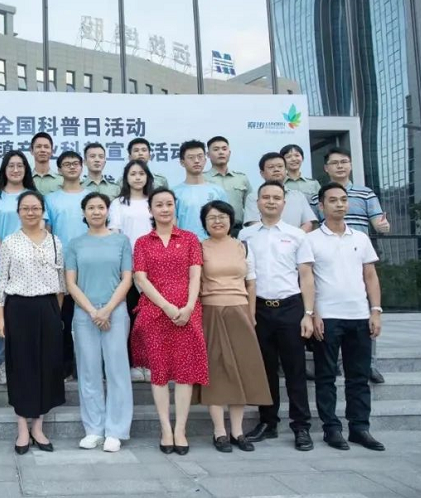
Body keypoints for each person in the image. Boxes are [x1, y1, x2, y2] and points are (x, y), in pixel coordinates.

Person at [307, 183, 385, 451]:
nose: (339, 204)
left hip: (359, 316)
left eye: (343, 200)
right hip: (327, 317)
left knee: (358, 377)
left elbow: (370, 276)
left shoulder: (360, 238)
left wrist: (375, 310)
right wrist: (313, 313)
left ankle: (360, 428)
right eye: (333, 200)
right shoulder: (311, 240)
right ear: (321, 206)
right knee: (326, 377)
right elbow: (306, 280)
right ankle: (331, 429)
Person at [240, 181, 316, 451]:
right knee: (265, 369)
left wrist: (308, 313)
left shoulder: (297, 235)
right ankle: (268, 422)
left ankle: (301, 426)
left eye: (276, 197)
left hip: (290, 307)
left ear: (284, 203)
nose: (271, 202)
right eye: (266, 197)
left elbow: (306, 276)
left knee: (295, 369)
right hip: (259, 308)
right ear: (257, 202)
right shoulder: (246, 235)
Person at [130, 188, 207, 456]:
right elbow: (140, 278)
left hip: (186, 311)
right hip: (155, 312)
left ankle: (180, 429)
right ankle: (165, 428)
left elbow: (195, 275)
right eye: (159, 205)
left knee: (185, 372)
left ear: (175, 207)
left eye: (169, 204)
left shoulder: (189, 238)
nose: (164, 209)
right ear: (151, 210)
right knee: (160, 372)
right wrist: (166, 306)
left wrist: (188, 306)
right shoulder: (142, 242)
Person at [195, 200, 272, 453]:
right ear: (204, 223)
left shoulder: (243, 246)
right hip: (211, 312)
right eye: (211, 218)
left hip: (240, 312)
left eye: (222, 216)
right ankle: (219, 431)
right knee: (216, 372)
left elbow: (251, 283)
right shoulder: (198, 247)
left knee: (240, 371)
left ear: (231, 220)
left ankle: (237, 431)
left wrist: (251, 315)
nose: (217, 221)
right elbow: (195, 284)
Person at [309, 147, 389, 383]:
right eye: (335, 163)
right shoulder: (317, 197)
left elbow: (378, 221)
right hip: (328, 256)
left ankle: (369, 365)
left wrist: (382, 226)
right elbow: (313, 224)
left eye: (344, 162)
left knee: (364, 310)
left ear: (351, 165)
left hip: (357, 254)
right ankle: (333, 363)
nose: (340, 166)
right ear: (326, 168)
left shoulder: (365, 194)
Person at [0, 191, 66, 454]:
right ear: (18, 212)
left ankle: (38, 426)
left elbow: (60, 284)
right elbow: (1, 283)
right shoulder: (10, 242)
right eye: (25, 208)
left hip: (48, 307)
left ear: (43, 210)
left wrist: (55, 314)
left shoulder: (55, 242)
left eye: (35, 208)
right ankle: (22, 428)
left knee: (47, 366)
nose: (31, 212)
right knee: (21, 367)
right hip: (18, 308)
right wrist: (0, 318)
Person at [65, 192, 133, 452]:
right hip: (85, 314)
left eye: (100, 207)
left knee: (117, 371)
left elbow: (127, 279)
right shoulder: (75, 244)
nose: (96, 212)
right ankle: (93, 429)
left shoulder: (121, 241)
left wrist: (107, 310)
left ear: (107, 211)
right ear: (84, 213)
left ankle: (116, 430)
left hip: (115, 312)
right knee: (88, 370)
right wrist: (94, 311)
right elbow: (71, 283)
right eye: (91, 208)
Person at [0, 150, 44, 385]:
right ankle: (4, 363)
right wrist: (7, 253)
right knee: (2, 314)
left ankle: (28, 362)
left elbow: (43, 227)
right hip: (2, 264)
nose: (16, 170)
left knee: (28, 315)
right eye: (11, 166)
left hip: (33, 265)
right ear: (4, 170)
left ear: (26, 169)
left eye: (20, 165)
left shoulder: (34, 196)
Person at [109, 159, 155, 383]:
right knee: (129, 315)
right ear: (126, 178)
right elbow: (115, 233)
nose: (137, 177)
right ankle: (132, 364)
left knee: (152, 317)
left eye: (141, 173)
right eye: (133, 174)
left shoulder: (154, 201)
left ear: (147, 177)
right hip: (127, 266)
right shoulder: (118, 203)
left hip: (154, 265)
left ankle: (151, 362)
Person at [46, 151, 89, 380]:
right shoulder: (51, 199)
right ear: (59, 169)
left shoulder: (92, 196)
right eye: (66, 164)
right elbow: (47, 232)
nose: (72, 167)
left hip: (90, 265)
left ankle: (87, 365)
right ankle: (64, 364)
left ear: (82, 167)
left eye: (75, 163)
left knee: (88, 316)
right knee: (62, 317)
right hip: (60, 265)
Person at [243, 152, 316, 232]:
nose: (276, 170)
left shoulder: (298, 195)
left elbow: (308, 223)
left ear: (286, 170)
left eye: (280, 166)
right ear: (262, 173)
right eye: (271, 167)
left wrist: (294, 237)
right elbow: (254, 224)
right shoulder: (253, 197)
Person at [172, 140, 227, 240]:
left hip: (214, 244)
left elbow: (225, 220)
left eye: (200, 156)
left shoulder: (218, 191)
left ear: (205, 160)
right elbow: (172, 224)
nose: (196, 161)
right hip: (185, 245)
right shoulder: (175, 193)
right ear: (182, 162)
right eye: (191, 157)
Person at [204, 136, 252, 231]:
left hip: (237, 229)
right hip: (210, 230)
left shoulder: (241, 178)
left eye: (224, 149)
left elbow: (251, 207)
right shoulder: (202, 178)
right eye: (216, 149)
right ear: (208, 154)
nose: (221, 152)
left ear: (229, 153)